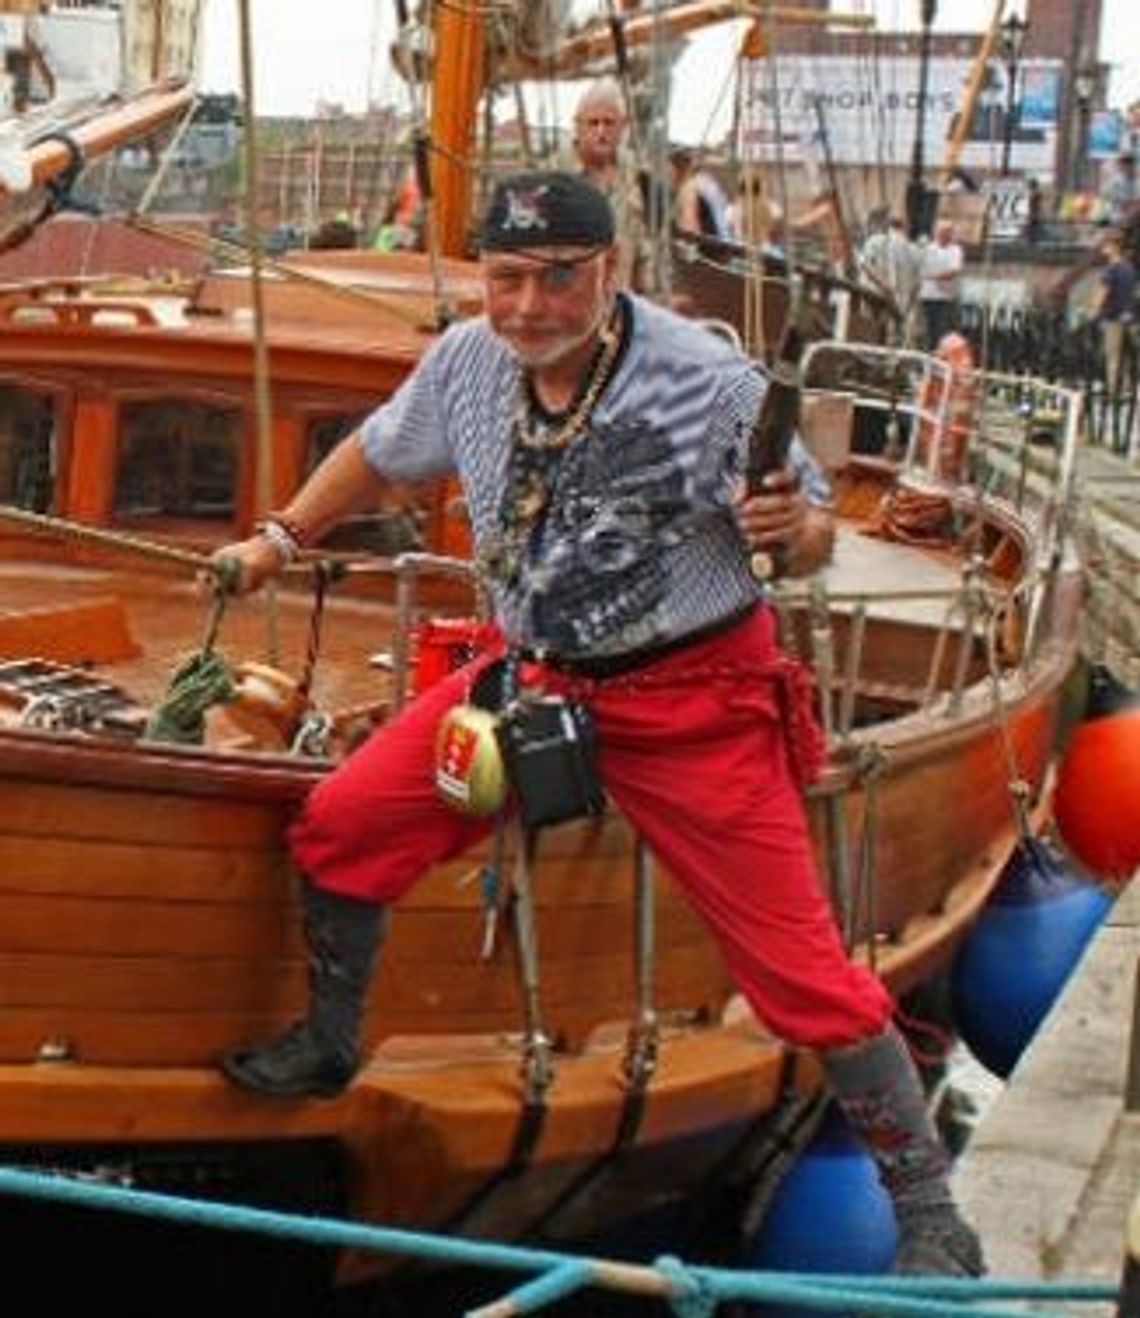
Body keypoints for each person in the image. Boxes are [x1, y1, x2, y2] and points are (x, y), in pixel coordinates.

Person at [212, 169, 985, 1280]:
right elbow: (378, 453)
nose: (528, 305)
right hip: (535, 682)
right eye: (507, 277)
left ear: (610, 270)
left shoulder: (709, 383)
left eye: (557, 278)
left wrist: (794, 526)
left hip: (695, 704)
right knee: (342, 821)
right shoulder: (469, 361)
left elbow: (807, 537)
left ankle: (928, 1214)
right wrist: (280, 538)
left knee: (802, 977)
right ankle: (331, 1040)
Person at [569, 77, 650, 289]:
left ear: (623, 127)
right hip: (573, 300)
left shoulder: (632, 169)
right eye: (593, 123)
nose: (601, 131)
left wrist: (645, 292)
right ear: (577, 125)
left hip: (620, 296)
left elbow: (641, 240)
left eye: (608, 122)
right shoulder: (557, 174)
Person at [860, 213, 922, 345]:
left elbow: (865, 266)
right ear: (906, 228)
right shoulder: (914, 249)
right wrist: (907, 307)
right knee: (893, 339)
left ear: (887, 226)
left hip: (874, 295)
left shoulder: (874, 240)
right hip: (900, 303)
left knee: (870, 333)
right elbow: (917, 285)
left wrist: (883, 285)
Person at [1091, 232, 1137, 399]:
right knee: (1127, 354)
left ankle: (1113, 390)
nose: (1103, 248)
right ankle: (1126, 388)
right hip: (1129, 317)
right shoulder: (1129, 268)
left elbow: (1102, 293)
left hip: (1112, 317)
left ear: (1114, 247)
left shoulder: (1111, 270)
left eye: (1105, 245)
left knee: (1113, 355)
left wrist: (1092, 313)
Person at [918, 218, 964, 350]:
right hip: (926, 297)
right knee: (926, 331)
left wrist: (932, 276)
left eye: (946, 231)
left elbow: (953, 272)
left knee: (941, 333)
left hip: (944, 298)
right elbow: (919, 267)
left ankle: (938, 359)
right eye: (940, 231)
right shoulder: (928, 248)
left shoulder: (955, 250)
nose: (942, 234)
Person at [670, 146, 732, 239]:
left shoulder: (689, 189)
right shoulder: (706, 181)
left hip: (711, 248)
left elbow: (690, 231)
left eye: (671, 170)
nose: (670, 176)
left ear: (679, 170)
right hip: (724, 242)